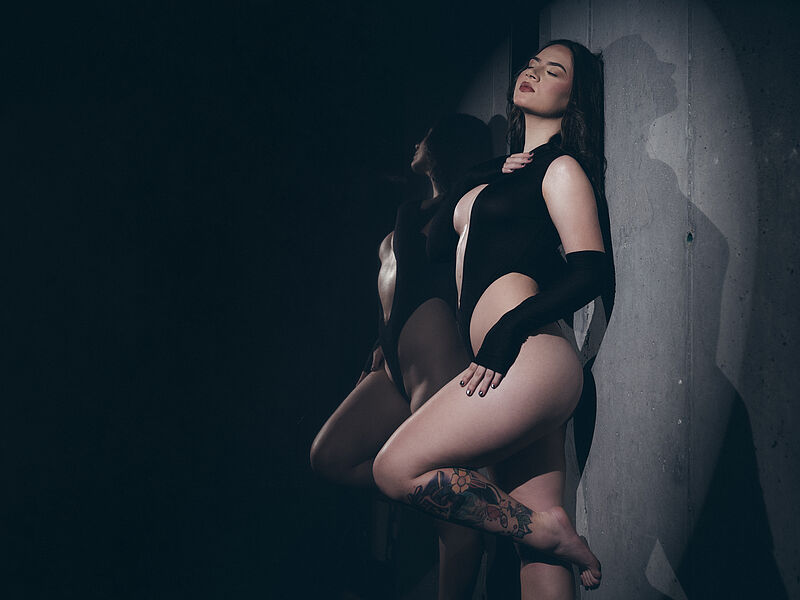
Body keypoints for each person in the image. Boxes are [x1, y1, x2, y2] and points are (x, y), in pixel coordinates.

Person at [372, 39, 612, 595]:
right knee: (538, 555)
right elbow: (434, 244)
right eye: (532, 64)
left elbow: (591, 272)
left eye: (553, 71)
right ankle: (548, 534)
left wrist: (507, 331)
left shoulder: (560, 168)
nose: (534, 72)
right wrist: (485, 171)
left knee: (394, 468)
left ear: (573, 98)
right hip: (509, 368)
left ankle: (547, 532)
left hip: (526, 355)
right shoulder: (500, 174)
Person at [310, 114, 492, 599]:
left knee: (456, 532)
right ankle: (461, 498)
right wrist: (377, 346)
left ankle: (470, 510)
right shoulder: (411, 211)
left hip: (435, 365)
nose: (416, 141)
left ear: (449, 146)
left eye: (427, 136)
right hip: (391, 366)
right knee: (329, 456)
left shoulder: (460, 205)